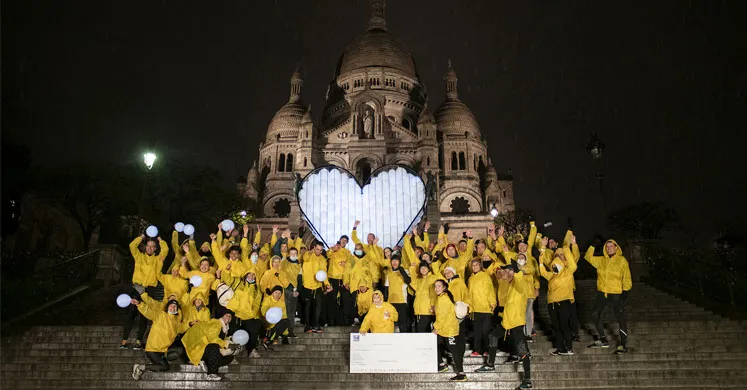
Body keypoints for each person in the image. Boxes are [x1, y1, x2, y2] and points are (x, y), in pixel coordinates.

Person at [477, 262, 533, 390]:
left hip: (517, 324)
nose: (506, 273)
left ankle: (528, 380)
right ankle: (490, 364)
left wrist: (516, 270)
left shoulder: (520, 284)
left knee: (522, 351)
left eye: (508, 271)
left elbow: (519, 278)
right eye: (505, 271)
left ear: (514, 273)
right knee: (492, 336)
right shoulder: (510, 285)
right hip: (507, 322)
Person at [121, 233, 169, 350]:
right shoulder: (139, 256)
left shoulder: (158, 259)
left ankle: (138, 341)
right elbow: (132, 246)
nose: (150, 248)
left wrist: (160, 239)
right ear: (145, 246)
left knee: (144, 315)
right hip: (137, 288)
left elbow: (166, 249)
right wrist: (141, 238)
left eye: (153, 246)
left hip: (150, 289)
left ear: (155, 249)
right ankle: (124, 341)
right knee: (131, 313)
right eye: (148, 246)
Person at [585, 239, 632, 353]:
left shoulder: (622, 260)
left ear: (616, 248)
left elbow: (627, 277)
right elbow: (588, 257)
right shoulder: (601, 260)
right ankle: (603, 339)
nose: (609, 248)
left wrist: (625, 291)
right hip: (603, 292)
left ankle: (623, 344)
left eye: (611, 246)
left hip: (616, 293)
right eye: (607, 246)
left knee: (620, 317)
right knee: (594, 314)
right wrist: (592, 245)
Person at [130, 293, 182, 380]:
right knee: (165, 367)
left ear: (177, 309)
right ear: (167, 307)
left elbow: (182, 328)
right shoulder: (160, 315)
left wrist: (190, 324)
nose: (172, 308)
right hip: (153, 350)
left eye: (175, 307)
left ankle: (164, 358)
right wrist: (139, 304)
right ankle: (140, 367)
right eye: (171, 306)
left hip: (164, 349)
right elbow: (149, 312)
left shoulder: (176, 322)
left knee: (180, 350)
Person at [539, 240, 577, 355]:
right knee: (556, 327)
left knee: (564, 325)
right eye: (554, 265)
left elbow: (573, 264)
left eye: (557, 265)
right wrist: (541, 254)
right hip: (552, 304)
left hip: (564, 302)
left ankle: (569, 348)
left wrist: (566, 247)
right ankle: (560, 348)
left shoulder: (568, 272)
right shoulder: (551, 275)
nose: (555, 266)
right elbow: (542, 271)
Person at [181, 310, 238, 381]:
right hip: (195, 349)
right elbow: (212, 338)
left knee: (229, 358)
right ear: (222, 316)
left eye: (230, 317)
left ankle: (205, 361)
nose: (228, 318)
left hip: (204, 350)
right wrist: (227, 344)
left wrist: (230, 340)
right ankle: (212, 373)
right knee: (214, 346)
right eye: (226, 315)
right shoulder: (216, 323)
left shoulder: (224, 328)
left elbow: (220, 338)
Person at [221, 268, 263, 358]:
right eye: (249, 274)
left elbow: (257, 303)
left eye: (253, 275)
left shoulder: (256, 289)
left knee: (255, 327)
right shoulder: (238, 283)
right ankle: (230, 355)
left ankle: (252, 350)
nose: (251, 276)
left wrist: (252, 313)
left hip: (248, 315)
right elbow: (228, 279)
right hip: (235, 313)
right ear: (245, 275)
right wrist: (227, 270)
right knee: (231, 333)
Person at [433, 279, 467, 382]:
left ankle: (461, 374)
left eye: (439, 286)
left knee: (454, 351)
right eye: (435, 286)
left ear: (444, 287)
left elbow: (442, 317)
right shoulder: (443, 297)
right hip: (445, 329)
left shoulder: (444, 299)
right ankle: (442, 364)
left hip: (449, 330)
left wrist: (435, 328)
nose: (436, 288)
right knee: (432, 344)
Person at [466, 259, 496, 358]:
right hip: (475, 310)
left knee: (485, 331)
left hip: (485, 309)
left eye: (476, 265)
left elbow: (490, 290)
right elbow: (469, 295)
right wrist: (469, 308)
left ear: (480, 266)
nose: (474, 267)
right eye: (473, 265)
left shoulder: (485, 276)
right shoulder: (470, 279)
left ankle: (487, 350)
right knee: (477, 331)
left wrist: (492, 302)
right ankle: (477, 350)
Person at [301, 242, 332, 333]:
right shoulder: (308, 255)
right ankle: (307, 326)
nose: (318, 251)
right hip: (307, 286)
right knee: (307, 306)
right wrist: (310, 252)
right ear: (314, 248)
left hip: (318, 286)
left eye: (320, 250)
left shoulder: (323, 259)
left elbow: (323, 273)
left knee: (318, 306)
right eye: (317, 249)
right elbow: (304, 258)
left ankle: (315, 325)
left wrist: (327, 284)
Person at [326, 236, 353, 326]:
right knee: (332, 300)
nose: (344, 241)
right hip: (333, 277)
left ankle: (341, 321)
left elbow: (351, 263)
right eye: (343, 240)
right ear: (340, 240)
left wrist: (346, 263)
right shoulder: (334, 248)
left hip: (343, 279)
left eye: (346, 241)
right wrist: (333, 249)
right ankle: (331, 320)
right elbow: (327, 255)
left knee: (343, 300)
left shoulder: (348, 252)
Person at [351, 220, 386, 288]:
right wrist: (355, 227)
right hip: (366, 275)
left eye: (371, 238)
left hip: (378, 275)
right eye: (368, 238)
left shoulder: (379, 248)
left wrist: (374, 246)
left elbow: (381, 261)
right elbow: (354, 238)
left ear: (374, 238)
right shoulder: (364, 247)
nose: (369, 239)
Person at [383, 254, 411, 333]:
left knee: (403, 322)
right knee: (390, 321)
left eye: (396, 261)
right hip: (391, 301)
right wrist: (385, 300)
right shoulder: (389, 273)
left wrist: (402, 271)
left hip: (402, 301)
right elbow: (386, 287)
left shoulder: (404, 271)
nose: (394, 262)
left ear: (399, 262)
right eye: (393, 261)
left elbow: (408, 281)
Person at [413, 260, 439, 332]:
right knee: (422, 331)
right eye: (421, 268)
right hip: (419, 311)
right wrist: (412, 268)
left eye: (425, 268)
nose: (423, 270)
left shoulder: (433, 278)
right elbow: (412, 283)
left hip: (428, 310)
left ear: (428, 269)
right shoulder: (419, 280)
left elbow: (434, 293)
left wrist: (433, 305)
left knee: (422, 331)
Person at [282, 247, 302, 336]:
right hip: (285, 289)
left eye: (295, 253)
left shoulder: (299, 265)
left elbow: (300, 279)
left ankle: (290, 331)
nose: (293, 255)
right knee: (284, 311)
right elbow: (282, 276)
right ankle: (283, 331)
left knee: (291, 312)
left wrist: (298, 291)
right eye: (291, 253)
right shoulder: (284, 263)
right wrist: (290, 288)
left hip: (294, 291)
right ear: (288, 254)